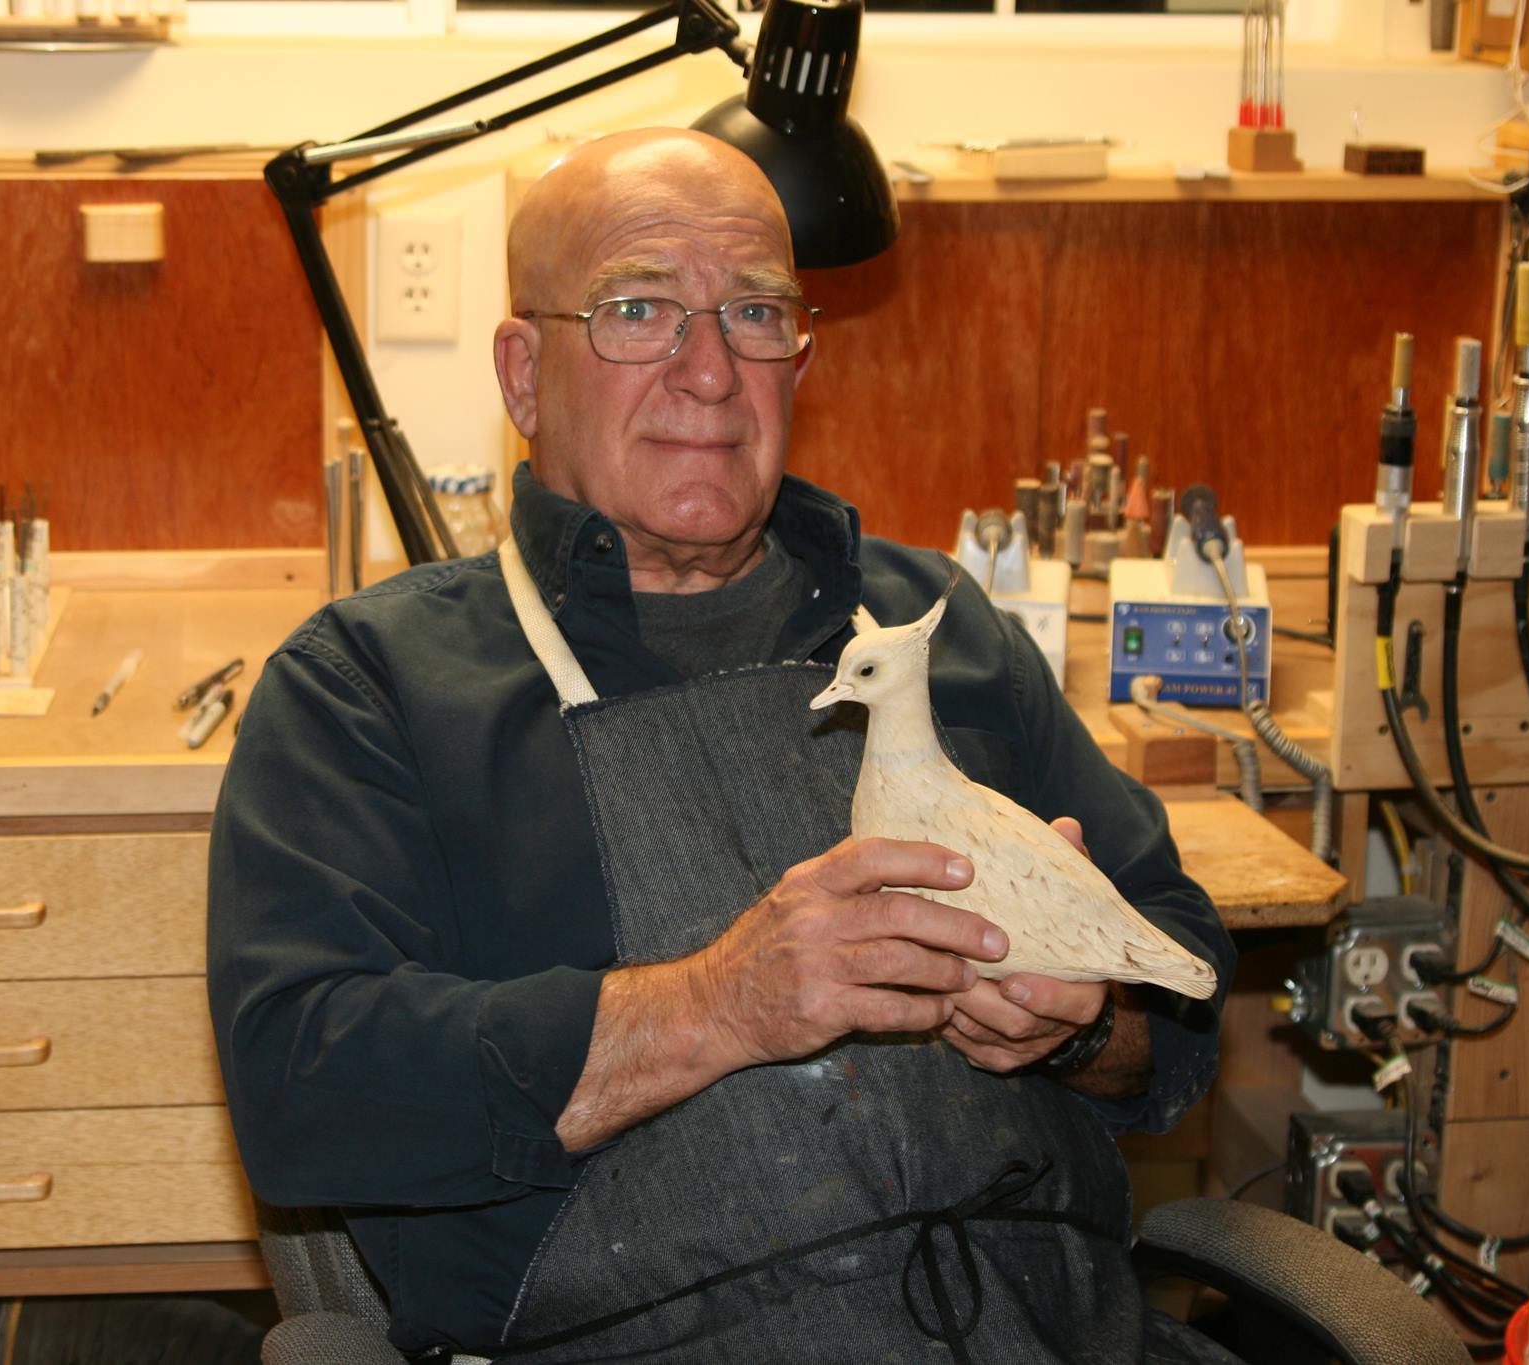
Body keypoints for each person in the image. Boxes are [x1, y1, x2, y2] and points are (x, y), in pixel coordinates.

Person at [209, 128, 1236, 1364]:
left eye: (754, 313)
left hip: (1048, 1333)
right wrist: (714, 1005)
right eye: (638, 309)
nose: (708, 372)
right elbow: (305, 1091)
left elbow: (1176, 996)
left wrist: (1078, 1025)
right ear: (525, 375)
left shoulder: (932, 631)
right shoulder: (371, 690)